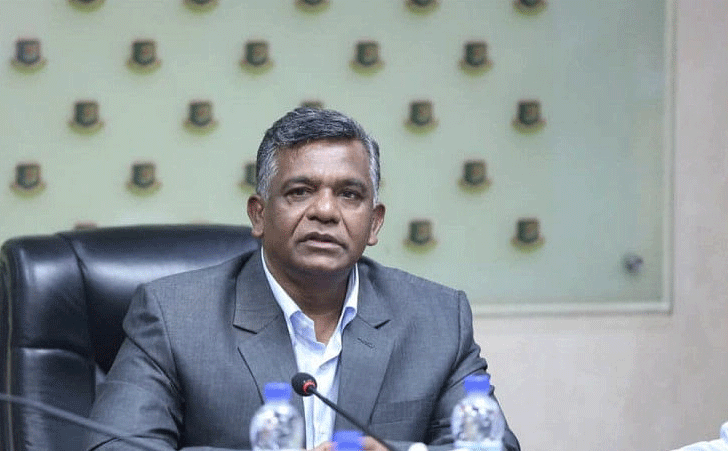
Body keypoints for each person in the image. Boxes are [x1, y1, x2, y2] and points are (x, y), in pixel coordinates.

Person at [84, 107, 520, 451]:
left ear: (374, 223)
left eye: (349, 194)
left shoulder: (437, 319)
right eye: (300, 192)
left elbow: (492, 445)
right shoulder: (174, 317)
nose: (325, 211)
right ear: (258, 214)